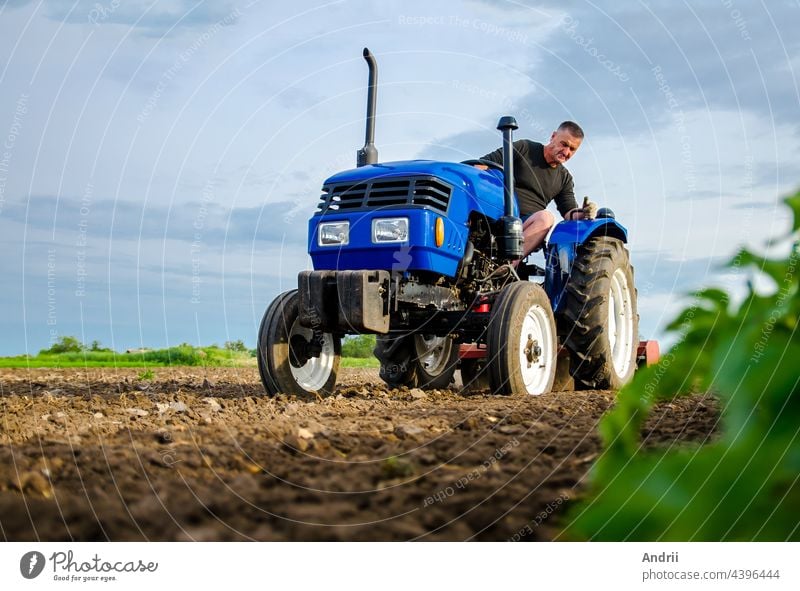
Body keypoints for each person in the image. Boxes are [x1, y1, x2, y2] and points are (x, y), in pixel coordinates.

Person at [476, 121, 597, 258]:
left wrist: (584, 212)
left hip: (527, 224)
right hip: (498, 214)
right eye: (564, 144)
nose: (566, 152)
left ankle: (506, 266)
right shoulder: (525, 148)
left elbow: (569, 212)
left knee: (546, 218)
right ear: (553, 136)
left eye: (572, 149)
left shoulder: (564, 178)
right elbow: (482, 165)